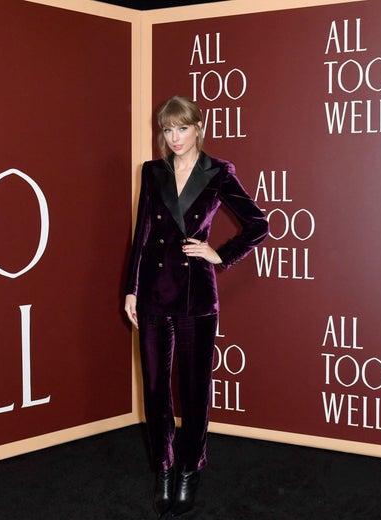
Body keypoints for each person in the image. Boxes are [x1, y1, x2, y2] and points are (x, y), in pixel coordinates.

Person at [124, 96, 268, 517]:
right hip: (152, 293)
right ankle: (164, 469)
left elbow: (259, 224)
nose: (174, 138)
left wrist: (220, 254)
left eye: (182, 128)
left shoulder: (219, 172)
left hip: (196, 297)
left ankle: (189, 469)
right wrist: (131, 289)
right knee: (154, 389)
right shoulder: (152, 172)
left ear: (198, 128)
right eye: (167, 130)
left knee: (193, 389)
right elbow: (142, 234)